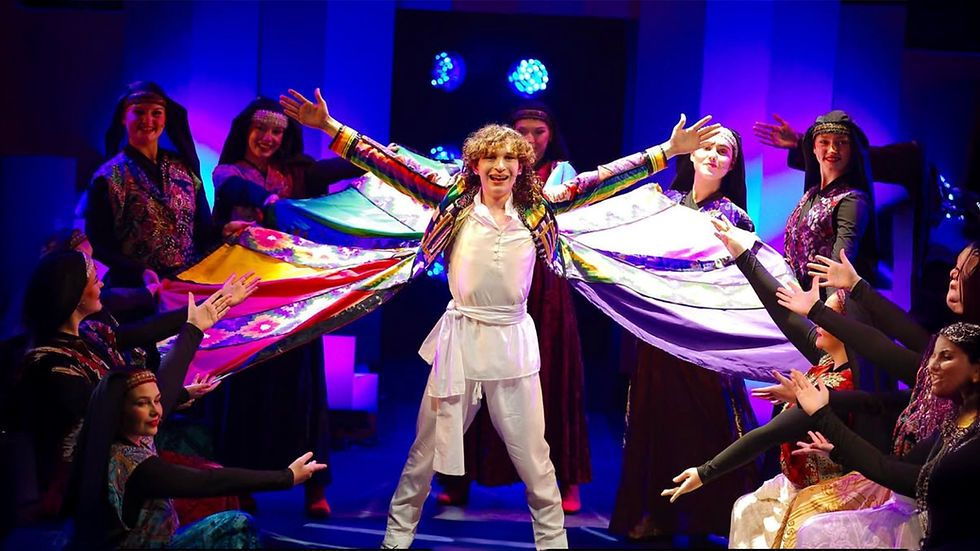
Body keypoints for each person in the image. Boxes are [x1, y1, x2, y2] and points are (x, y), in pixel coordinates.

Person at [280, 86, 719, 549]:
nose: (500, 166)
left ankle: (553, 545)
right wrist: (330, 127)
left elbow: (601, 179)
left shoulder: (539, 207)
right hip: (461, 340)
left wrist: (668, 150)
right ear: (474, 165)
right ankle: (395, 542)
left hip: (512, 342)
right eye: (490, 157)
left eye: (510, 158)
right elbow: (390, 165)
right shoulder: (451, 200)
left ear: (521, 165)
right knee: (423, 455)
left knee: (534, 458)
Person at [14, 249, 255, 520]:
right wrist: (193, 330)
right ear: (74, 294)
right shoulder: (51, 366)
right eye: (95, 281)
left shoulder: (91, 334)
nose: (102, 284)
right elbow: (124, 418)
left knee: (230, 488)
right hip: (99, 485)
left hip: (127, 460)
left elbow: (147, 330)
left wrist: (218, 301)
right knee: (218, 496)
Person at [436, 101, 591, 514]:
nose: (530, 138)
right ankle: (458, 479)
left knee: (552, 382)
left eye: (538, 132)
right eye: (521, 130)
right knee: (470, 384)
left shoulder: (560, 176)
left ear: (550, 136)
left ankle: (565, 480)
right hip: (488, 290)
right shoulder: (478, 177)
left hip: (547, 291)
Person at [610, 127, 761, 540]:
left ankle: (705, 518)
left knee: (704, 424)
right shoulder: (664, 204)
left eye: (723, 151)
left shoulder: (735, 217)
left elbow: (741, 285)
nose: (713, 155)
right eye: (706, 148)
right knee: (655, 421)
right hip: (658, 335)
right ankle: (655, 514)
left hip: (704, 338)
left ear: (732, 164)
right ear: (691, 155)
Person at [209, 97, 334, 518]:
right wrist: (272, 203)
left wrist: (381, 158)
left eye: (277, 131)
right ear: (244, 130)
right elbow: (236, 192)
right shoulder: (228, 173)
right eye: (261, 129)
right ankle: (241, 485)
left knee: (305, 388)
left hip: (295, 294)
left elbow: (338, 169)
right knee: (244, 388)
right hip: (245, 297)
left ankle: (315, 486)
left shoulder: (296, 172)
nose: (269, 138)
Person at [66, 362, 326, 548]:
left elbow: (161, 406)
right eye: (142, 404)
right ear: (120, 411)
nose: (156, 411)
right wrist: (286, 477)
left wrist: (183, 394)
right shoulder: (132, 464)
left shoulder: (124, 436)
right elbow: (208, 481)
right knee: (237, 524)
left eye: (156, 401)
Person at [788, 321, 980, 550]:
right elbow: (898, 463)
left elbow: (895, 474)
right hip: (929, 532)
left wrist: (824, 416)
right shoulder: (956, 419)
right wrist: (838, 451)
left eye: (946, 357)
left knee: (815, 531)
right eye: (933, 355)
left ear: (977, 370)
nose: (931, 366)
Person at [85, 81, 248, 288]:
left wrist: (223, 230)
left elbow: (201, 229)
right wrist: (140, 272)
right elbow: (99, 243)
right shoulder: (110, 175)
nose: (148, 120)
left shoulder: (184, 169)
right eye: (139, 112)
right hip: (137, 291)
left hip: (186, 285)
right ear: (123, 117)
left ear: (165, 119)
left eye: (156, 113)